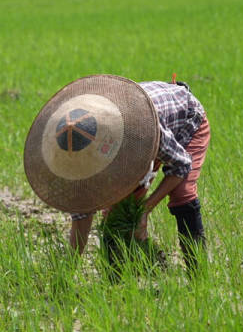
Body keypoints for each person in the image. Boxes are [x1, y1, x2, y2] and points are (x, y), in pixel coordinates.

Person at [24, 75, 210, 273]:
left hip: (186, 119)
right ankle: (132, 272)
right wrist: (67, 273)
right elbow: (82, 218)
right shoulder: (80, 170)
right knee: (119, 207)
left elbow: (181, 165)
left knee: (182, 193)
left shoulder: (138, 128)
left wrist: (145, 210)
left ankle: (198, 274)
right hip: (144, 132)